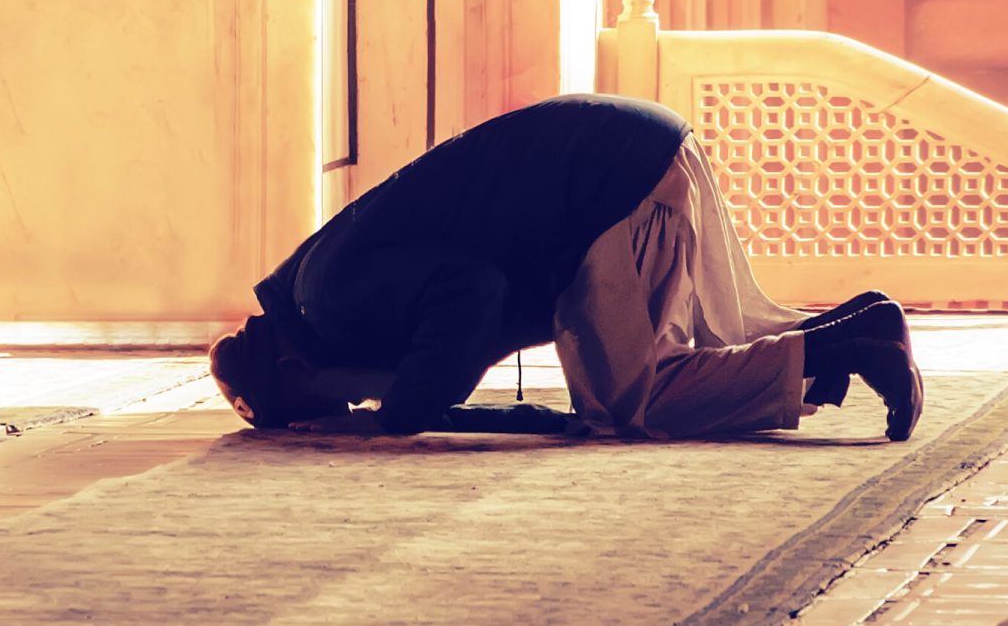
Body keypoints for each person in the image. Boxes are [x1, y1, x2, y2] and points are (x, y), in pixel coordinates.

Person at [209, 94, 923, 441]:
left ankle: (851, 350)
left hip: (607, 184)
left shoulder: (329, 299)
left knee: (635, 404)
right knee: (713, 349)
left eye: (321, 405)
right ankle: (861, 324)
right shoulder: (319, 285)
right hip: (630, 153)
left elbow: (472, 292)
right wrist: (418, 405)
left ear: (293, 367)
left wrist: (398, 419)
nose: (344, 408)